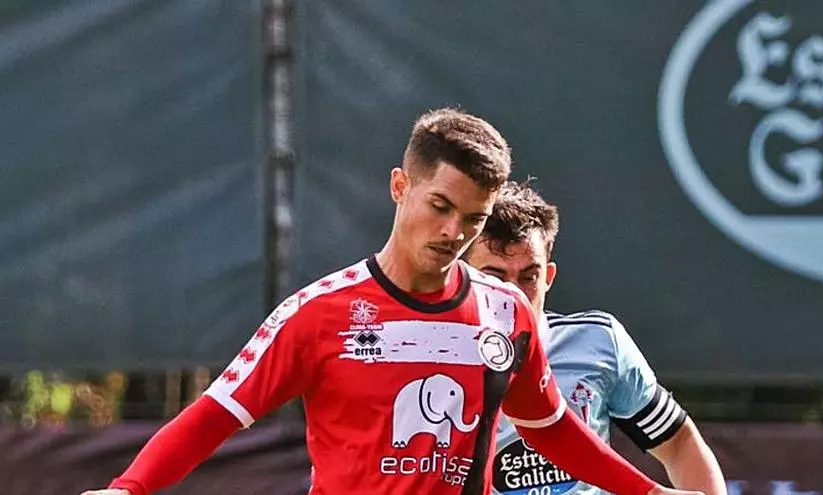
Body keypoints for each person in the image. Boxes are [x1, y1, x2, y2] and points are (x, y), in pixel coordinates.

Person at [81, 108, 701, 495]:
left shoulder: (507, 314)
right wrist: (127, 489)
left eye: (473, 219)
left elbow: (553, 430)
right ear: (400, 186)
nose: (453, 232)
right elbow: (216, 414)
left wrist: (649, 493)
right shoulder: (318, 313)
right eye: (440, 206)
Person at [462, 180, 727, 495]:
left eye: (529, 277)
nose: (514, 293)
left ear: (548, 278)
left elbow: (678, 442)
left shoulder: (597, 344)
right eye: (495, 277)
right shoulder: (428, 354)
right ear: (463, 276)